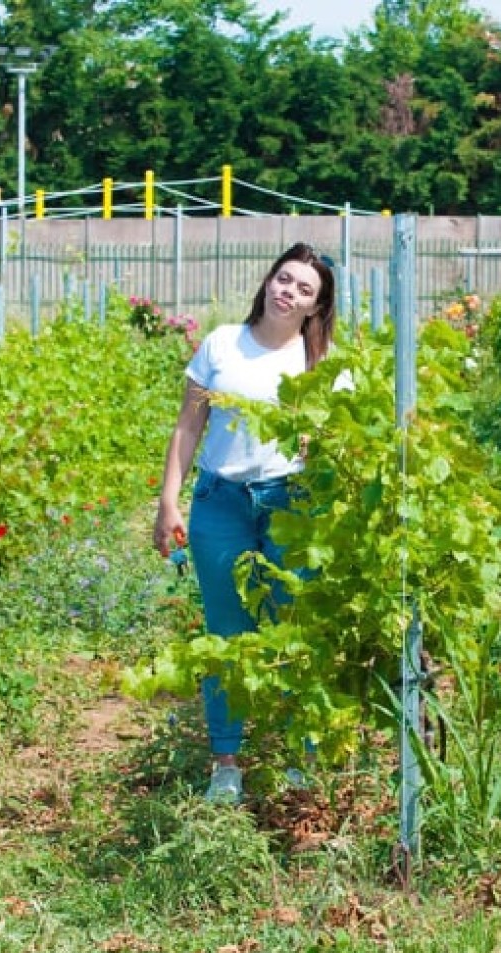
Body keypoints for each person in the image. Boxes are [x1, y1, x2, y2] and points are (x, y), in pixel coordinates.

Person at [152, 243, 337, 804]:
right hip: (221, 501)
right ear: (268, 281)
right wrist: (168, 501)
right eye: (285, 279)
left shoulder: (320, 365)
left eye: (304, 290)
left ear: (315, 307)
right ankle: (227, 765)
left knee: (294, 629)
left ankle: (300, 759)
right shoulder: (220, 346)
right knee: (226, 632)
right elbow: (188, 428)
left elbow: (338, 445)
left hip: (291, 506)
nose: (289, 292)